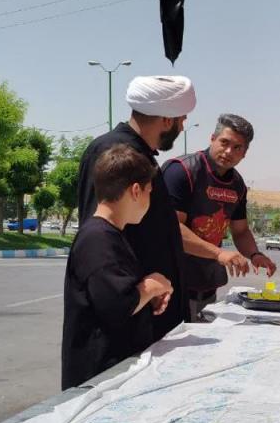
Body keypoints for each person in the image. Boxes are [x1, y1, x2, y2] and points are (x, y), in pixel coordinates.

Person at [76, 75, 195, 341]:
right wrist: (139, 292)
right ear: (167, 120)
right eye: (182, 119)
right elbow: (102, 238)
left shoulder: (141, 155)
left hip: (148, 309)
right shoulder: (113, 152)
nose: (182, 126)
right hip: (125, 320)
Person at [61, 145, 173, 390]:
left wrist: (147, 298)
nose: (150, 201)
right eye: (149, 192)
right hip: (98, 380)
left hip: (112, 373)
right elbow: (118, 305)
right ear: (136, 191)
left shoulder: (110, 234)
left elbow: (112, 291)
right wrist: (153, 284)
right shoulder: (98, 238)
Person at [162, 114, 277, 320]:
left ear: (244, 153)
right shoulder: (182, 171)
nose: (228, 151)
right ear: (212, 138)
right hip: (172, 286)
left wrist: (255, 255)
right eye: (224, 142)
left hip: (207, 287)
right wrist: (219, 253)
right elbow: (171, 229)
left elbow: (240, 231)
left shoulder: (238, 185)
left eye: (237, 147)